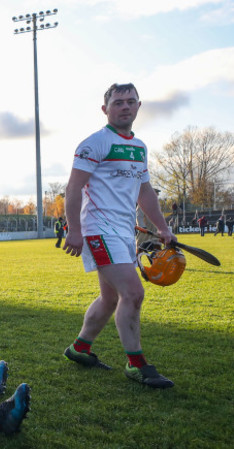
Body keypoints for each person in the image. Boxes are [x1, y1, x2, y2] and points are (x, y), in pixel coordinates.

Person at [62, 83, 176, 389]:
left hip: (125, 232)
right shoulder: (94, 143)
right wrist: (74, 229)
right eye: (117, 102)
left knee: (111, 297)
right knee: (133, 293)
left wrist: (163, 227)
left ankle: (80, 348)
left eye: (130, 102)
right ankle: (137, 364)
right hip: (98, 230)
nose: (124, 107)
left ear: (139, 106)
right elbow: (73, 189)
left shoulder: (139, 148)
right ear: (105, 109)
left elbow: (145, 191)